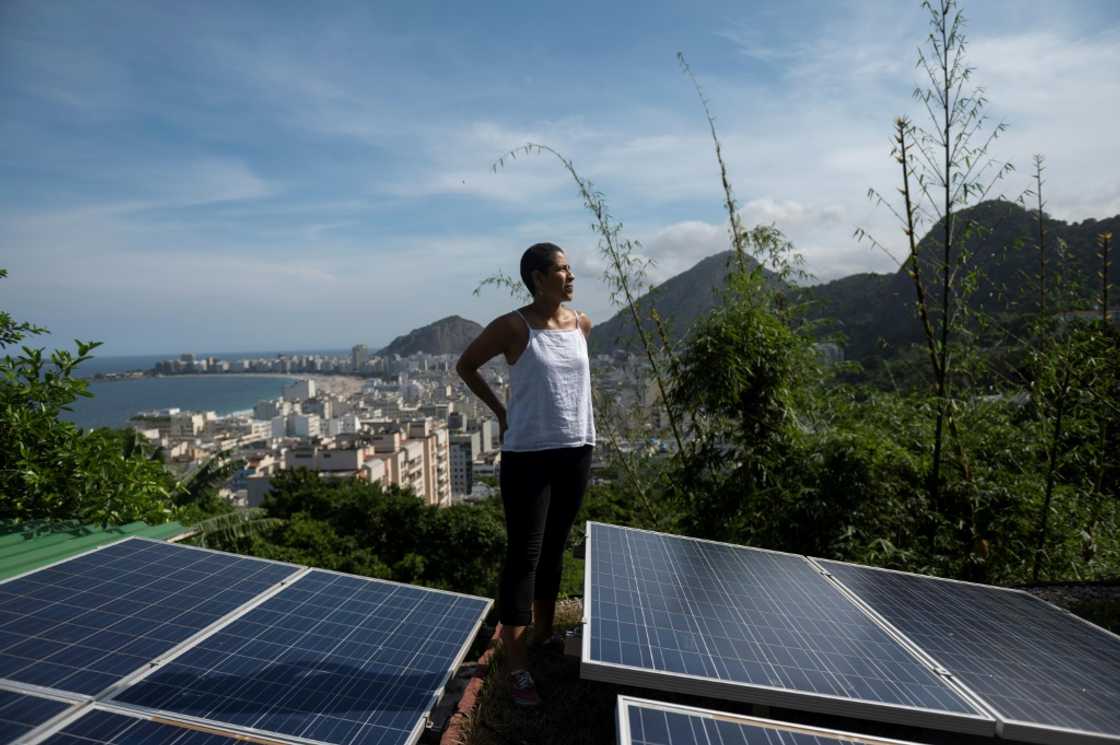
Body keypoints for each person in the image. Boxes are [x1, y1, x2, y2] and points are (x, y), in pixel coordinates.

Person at [455, 242, 595, 707]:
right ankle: (516, 666)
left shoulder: (582, 324)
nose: (570, 275)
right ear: (538, 278)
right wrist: (499, 410)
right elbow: (467, 365)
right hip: (528, 455)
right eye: (561, 269)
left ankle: (544, 634)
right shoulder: (513, 327)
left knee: (555, 547)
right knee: (524, 556)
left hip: (576, 449)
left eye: (570, 267)